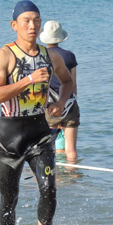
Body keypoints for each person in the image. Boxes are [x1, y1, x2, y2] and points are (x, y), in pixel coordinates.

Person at [0, 0, 73, 225]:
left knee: (49, 187)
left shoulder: (51, 56)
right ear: (14, 25)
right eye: (26, 21)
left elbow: (67, 81)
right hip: (10, 135)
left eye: (36, 20)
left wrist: (61, 102)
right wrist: (29, 80)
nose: (32, 25)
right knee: (9, 199)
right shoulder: (4, 55)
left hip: (39, 131)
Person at [39, 20, 80, 160]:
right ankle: (73, 172)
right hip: (69, 102)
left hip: (50, 105)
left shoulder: (41, 55)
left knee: (49, 148)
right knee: (71, 150)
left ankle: (52, 172)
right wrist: (73, 101)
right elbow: (72, 82)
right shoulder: (69, 55)